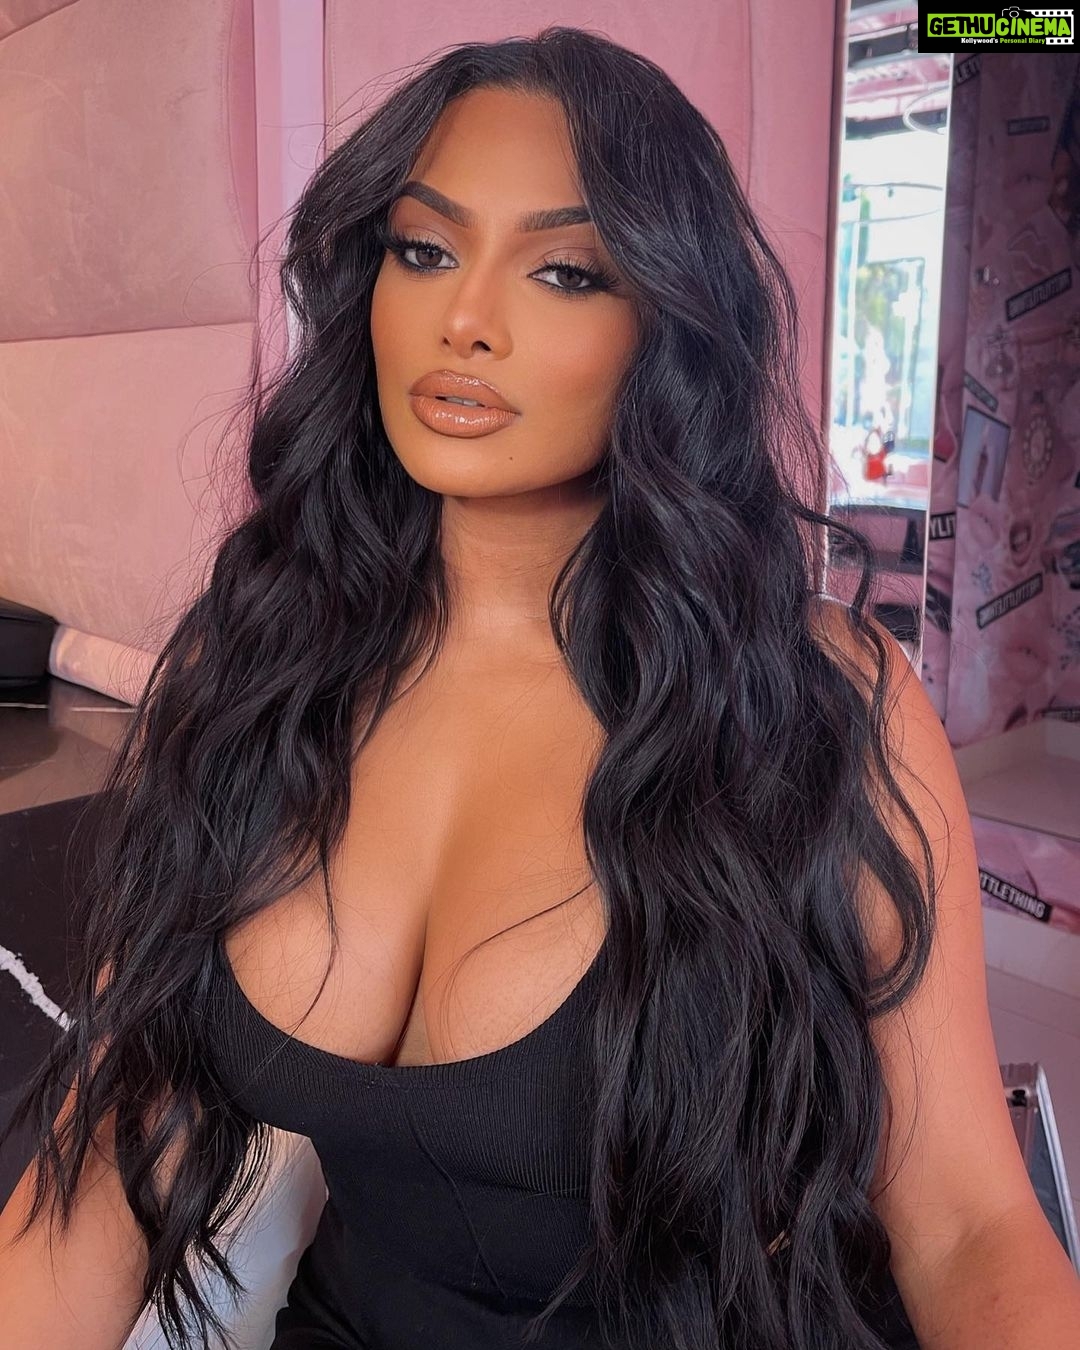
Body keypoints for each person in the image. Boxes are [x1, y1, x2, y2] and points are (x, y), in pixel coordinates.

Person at [3, 25, 1079, 1350]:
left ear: (664, 327)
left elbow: (971, 1230)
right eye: (424, 250)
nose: (466, 318)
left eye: (565, 271)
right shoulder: (254, 673)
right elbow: (105, 1172)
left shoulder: (815, 707)